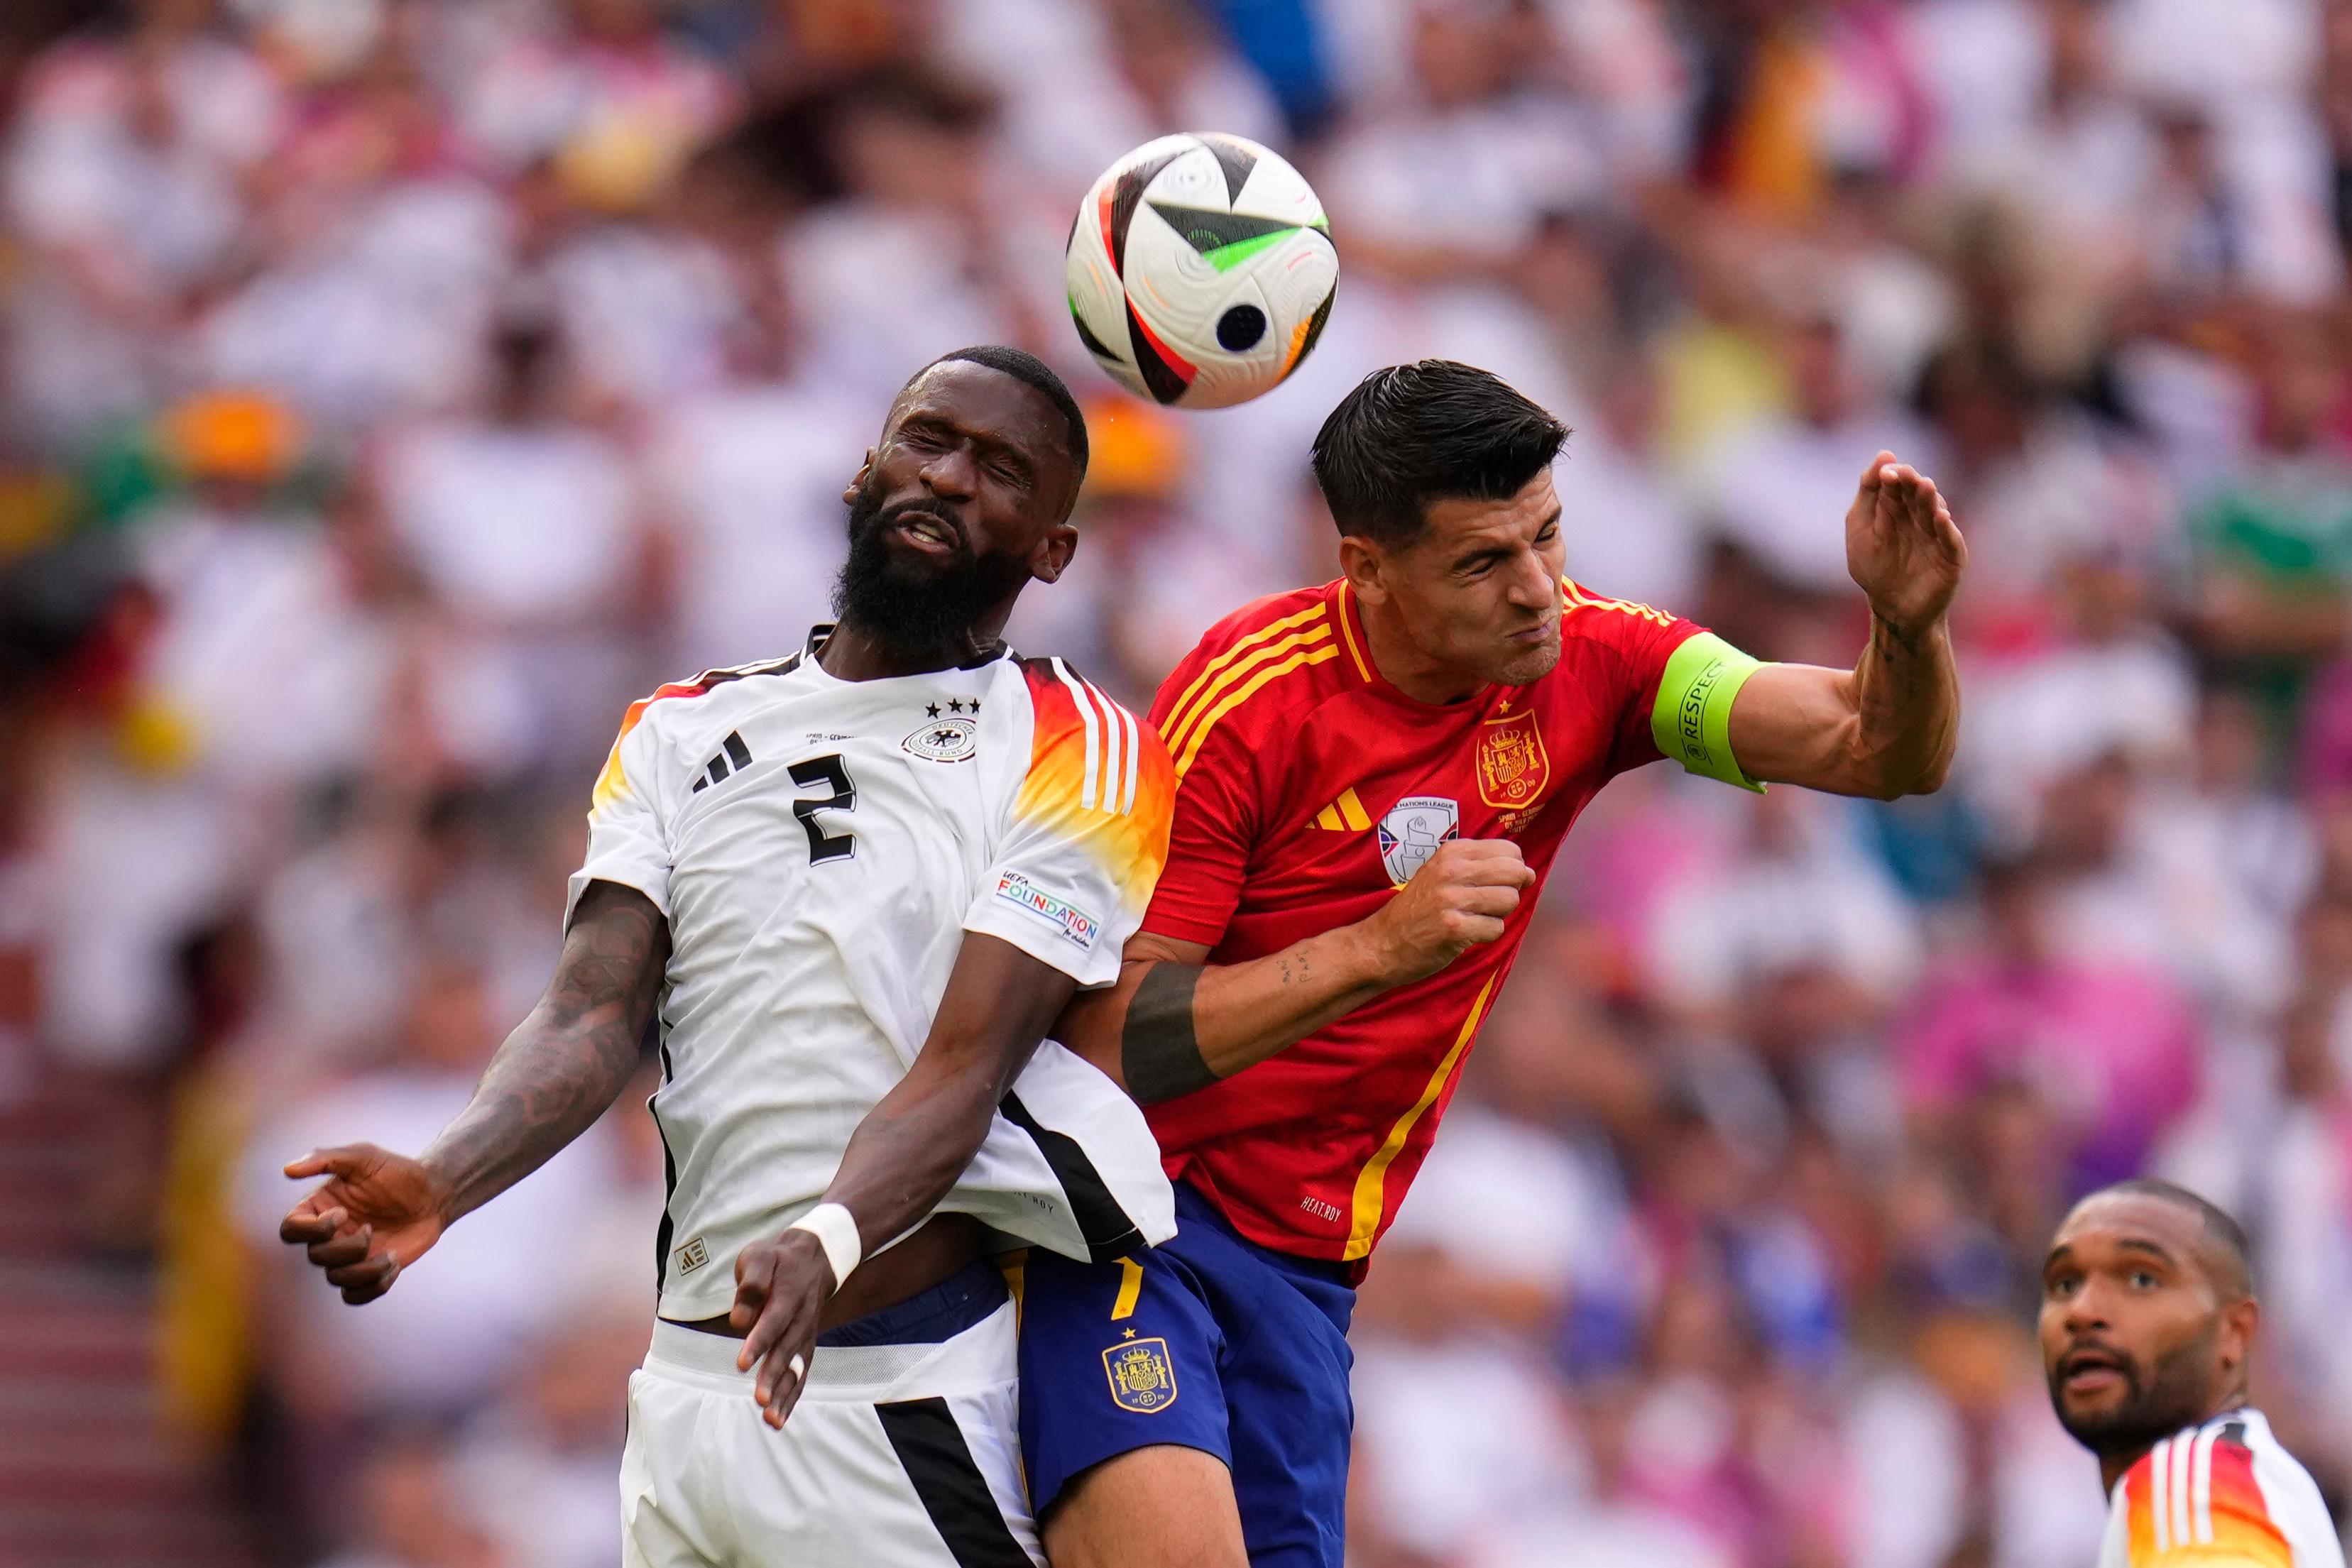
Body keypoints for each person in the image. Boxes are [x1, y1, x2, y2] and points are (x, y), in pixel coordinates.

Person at [1021, 358, 1969, 1568]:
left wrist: (1906, 623)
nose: (1538, 591)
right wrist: (1377, 947)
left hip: (1305, 1265)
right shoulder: (1249, 696)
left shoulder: (1598, 657)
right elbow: (1111, 1042)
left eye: (1549, 536)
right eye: (1484, 560)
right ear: (1367, 567)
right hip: (1131, 1211)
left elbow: (1871, 746)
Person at [275, 345, 1178, 1567]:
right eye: (930, 438)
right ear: (866, 467)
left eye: (1003, 470)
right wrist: (445, 1178)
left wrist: (828, 1236)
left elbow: (970, 1061)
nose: (952, 477)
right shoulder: (678, 725)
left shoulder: (1076, 742)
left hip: (890, 1395)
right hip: (685, 1399)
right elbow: (593, 1013)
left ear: (1052, 547)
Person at [2040, 1179, 2346, 1568]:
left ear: (2234, 1331)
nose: (2082, 1312)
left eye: (2142, 1279)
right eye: (2065, 1283)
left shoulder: (2194, 1479)